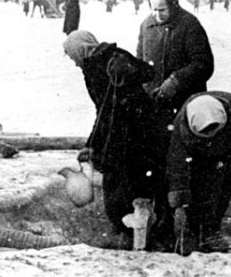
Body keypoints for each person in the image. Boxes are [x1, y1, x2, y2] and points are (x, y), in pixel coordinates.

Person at [63, 31, 172, 249]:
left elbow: (146, 72)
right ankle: (150, 228)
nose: (73, 62)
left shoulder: (103, 63)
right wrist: (92, 144)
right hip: (139, 126)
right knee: (142, 178)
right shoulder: (102, 59)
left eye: (71, 54)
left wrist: (126, 70)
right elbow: (103, 108)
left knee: (119, 179)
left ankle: (128, 230)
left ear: (81, 49)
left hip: (130, 130)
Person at [167, 91, 231, 256]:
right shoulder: (181, 126)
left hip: (227, 150)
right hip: (197, 155)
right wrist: (179, 205)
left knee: (221, 186)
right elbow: (177, 168)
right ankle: (192, 229)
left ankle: (212, 229)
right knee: (197, 185)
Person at [137, 0, 214, 112]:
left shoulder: (189, 24)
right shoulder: (146, 25)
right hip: (153, 101)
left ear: (173, 5)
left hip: (184, 101)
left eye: (162, 10)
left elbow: (203, 64)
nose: (157, 15)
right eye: (154, 9)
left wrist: (176, 81)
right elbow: (140, 61)